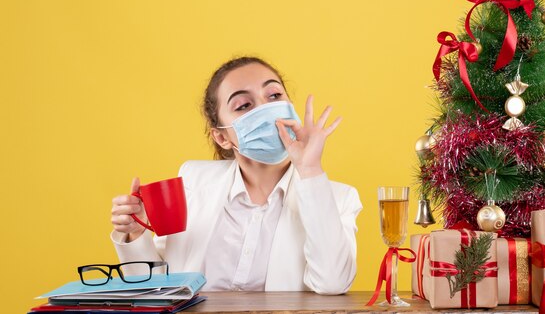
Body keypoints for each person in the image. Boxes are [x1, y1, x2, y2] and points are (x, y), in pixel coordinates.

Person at [110, 56, 362, 294]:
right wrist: (136, 233)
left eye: (274, 95)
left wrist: (309, 169)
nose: (265, 109)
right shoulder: (192, 183)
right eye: (244, 105)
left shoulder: (339, 199)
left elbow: (333, 283)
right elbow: (157, 288)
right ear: (221, 136)